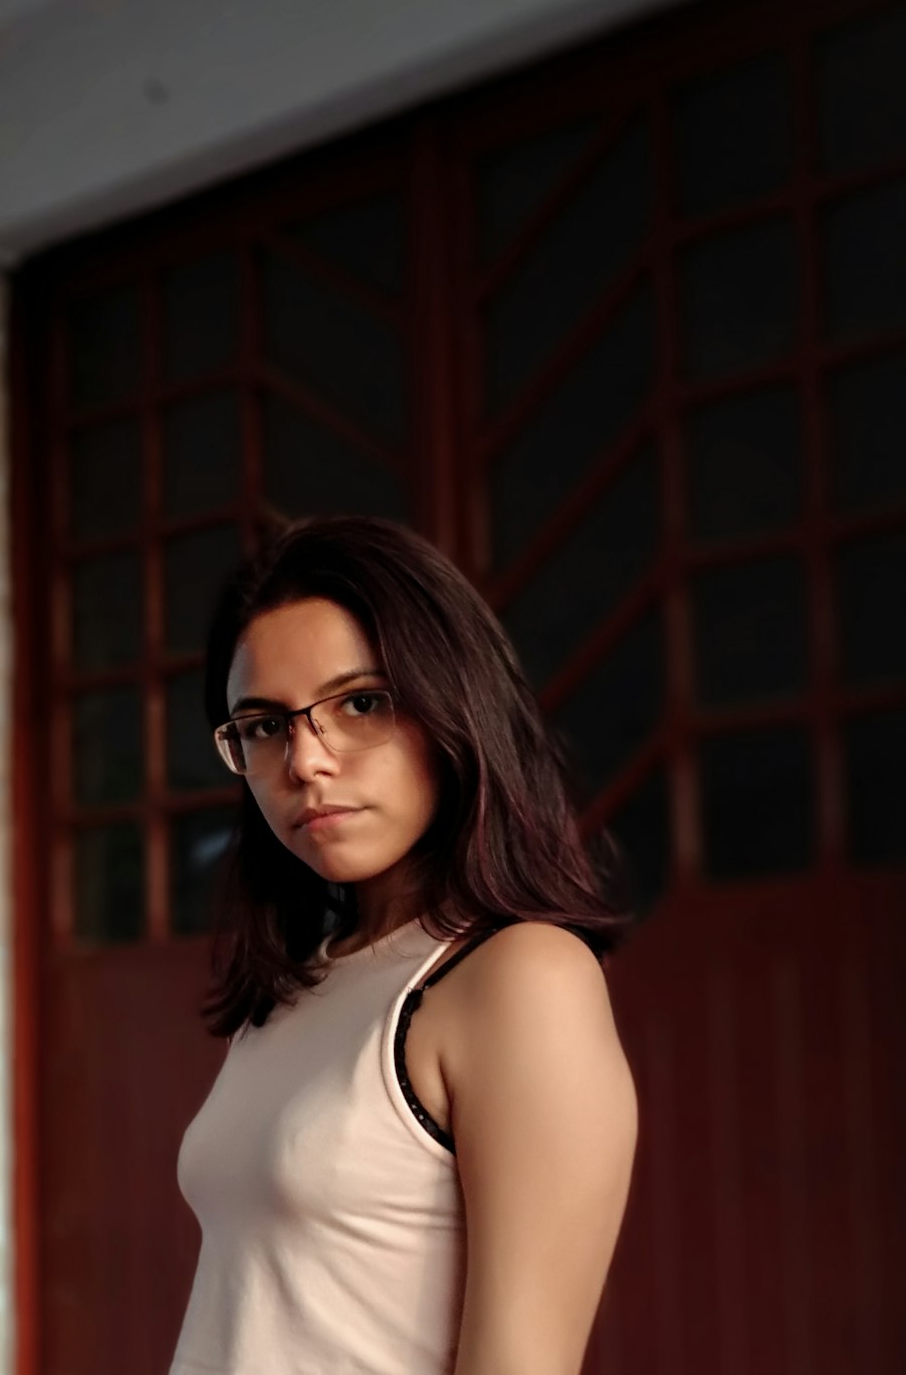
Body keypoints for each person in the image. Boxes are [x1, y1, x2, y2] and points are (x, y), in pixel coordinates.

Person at [168, 514, 639, 1375]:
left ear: (451, 704)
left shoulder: (520, 978)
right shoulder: (300, 985)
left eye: (361, 703)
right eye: (265, 725)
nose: (306, 760)